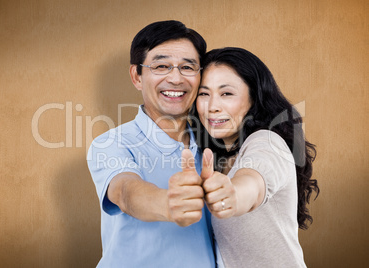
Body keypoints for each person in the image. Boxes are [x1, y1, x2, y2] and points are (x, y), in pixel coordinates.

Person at [87, 20, 215, 267]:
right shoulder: (111, 144)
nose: (176, 78)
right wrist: (168, 203)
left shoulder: (214, 142)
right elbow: (125, 191)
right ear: (137, 76)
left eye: (188, 67)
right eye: (161, 66)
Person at [192, 47, 320, 267]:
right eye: (204, 94)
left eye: (226, 93)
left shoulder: (266, 142)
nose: (212, 107)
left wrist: (234, 194)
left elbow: (253, 181)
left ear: (254, 97)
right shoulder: (218, 157)